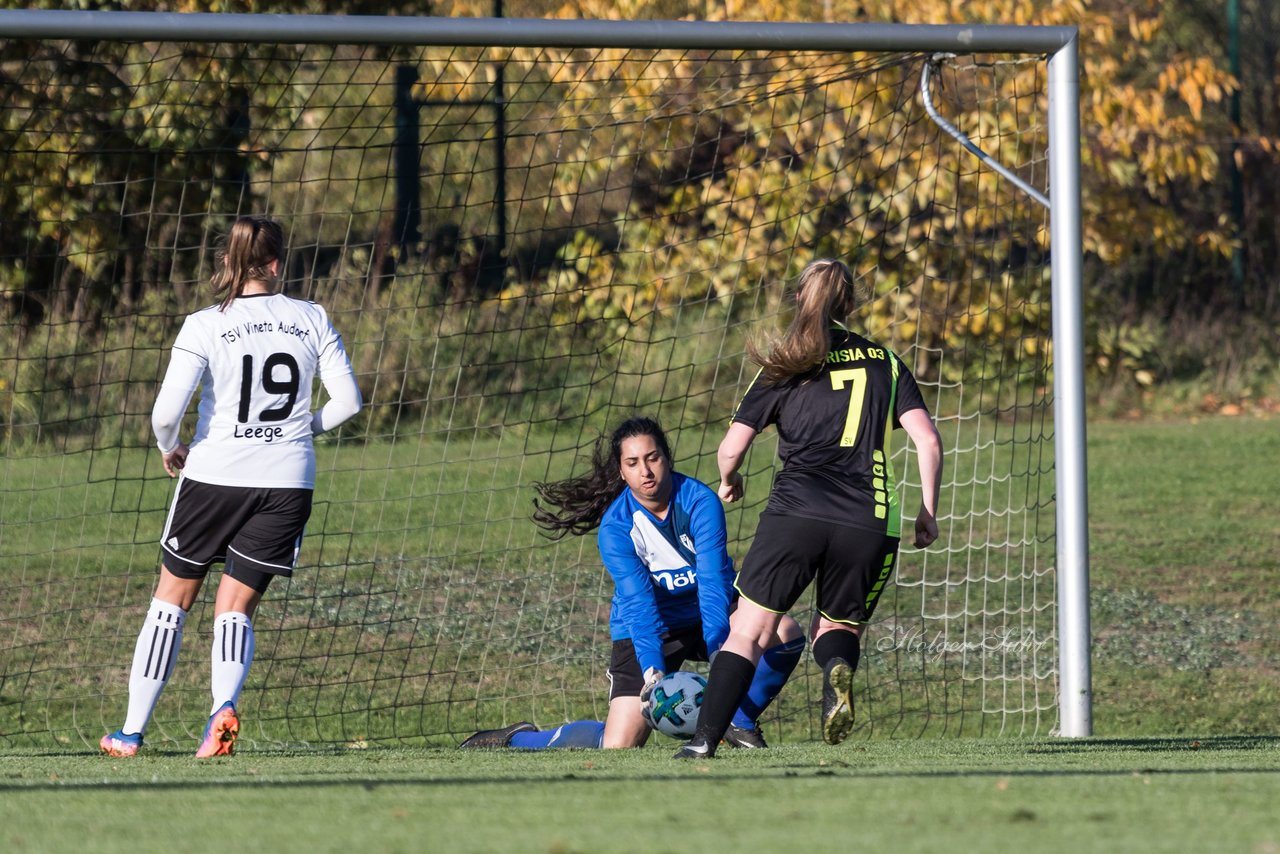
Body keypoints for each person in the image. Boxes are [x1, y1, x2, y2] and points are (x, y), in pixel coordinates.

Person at [99, 215, 362, 759]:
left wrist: (167, 445)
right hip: (288, 480)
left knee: (171, 601)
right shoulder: (312, 317)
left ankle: (129, 732)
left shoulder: (204, 323)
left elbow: (166, 412)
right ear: (276, 265)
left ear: (227, 264)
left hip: (214, 476)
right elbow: (349, 404)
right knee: (236, 606)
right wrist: (299, 428)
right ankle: (222, 709)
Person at [674, 258, 943, 759]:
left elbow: (731, 447)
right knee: (837, 627)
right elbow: (927, 440)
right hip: (869, 517)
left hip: (796, 512)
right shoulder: (885, 361)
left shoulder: (784, 362)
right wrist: (928, 510)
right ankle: (835, 674)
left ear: (800, 298)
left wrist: (728, 480)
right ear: (851, 303)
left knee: (749, 630)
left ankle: (703, 742)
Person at [459, 416, 805, 750]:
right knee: (618, 744)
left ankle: (737, 722)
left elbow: (714, 584)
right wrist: (653, 671)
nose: (646, 470)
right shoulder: (615, 528)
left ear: (666, 458)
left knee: (785, 632)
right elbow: (640, 604)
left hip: (706, 612)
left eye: (652, 458)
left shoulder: (700, 502)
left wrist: (719, 655)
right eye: (633, 462)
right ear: (622, 472)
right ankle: (518, 737)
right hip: (652, 628)